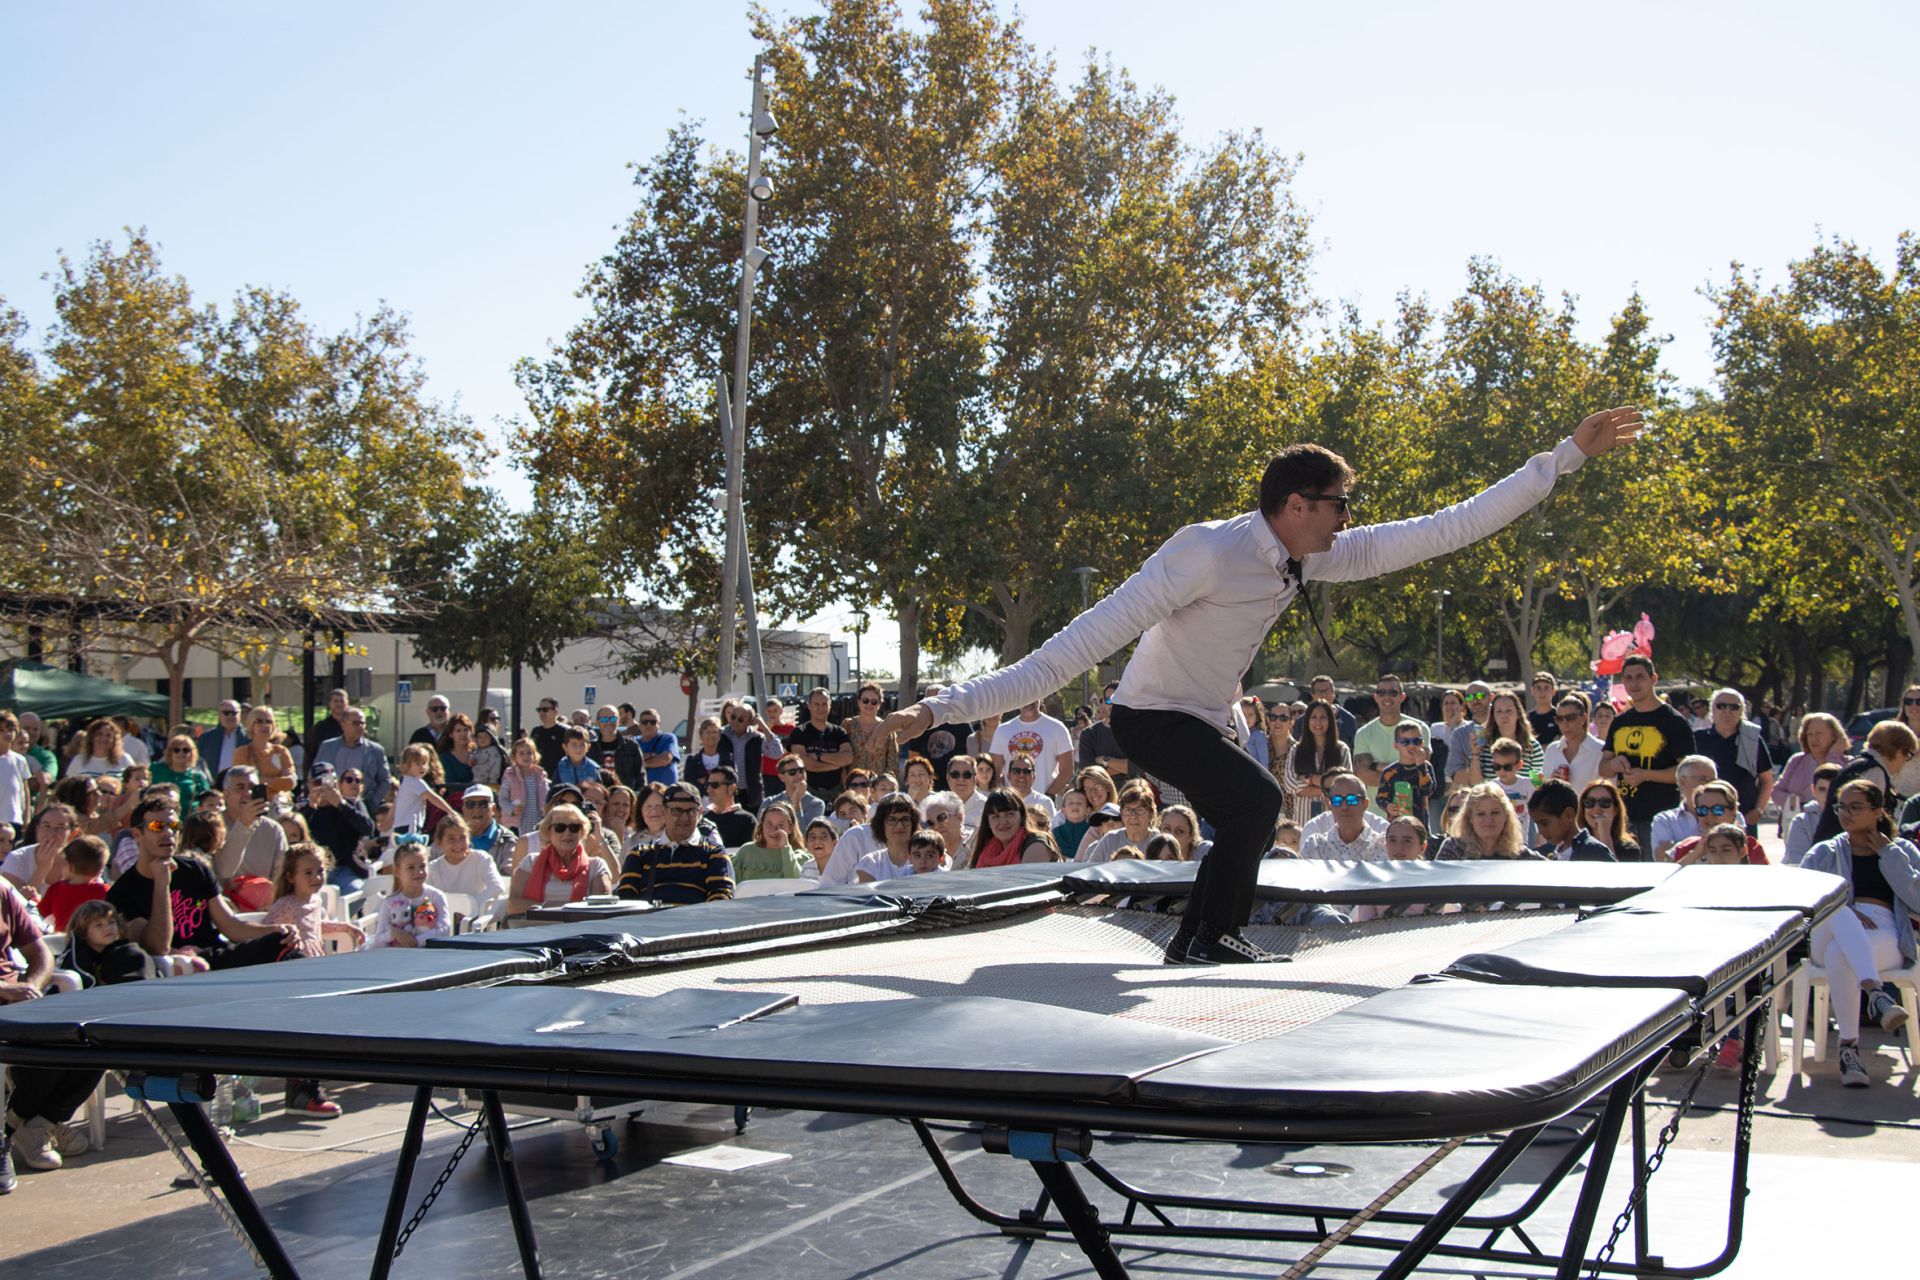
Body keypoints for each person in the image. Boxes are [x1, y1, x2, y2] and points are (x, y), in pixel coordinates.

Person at [1799, 780, 1920, 1087]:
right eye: (1841, 807)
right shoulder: (1824, 852)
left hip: (1884, 930)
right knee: (1837, 905)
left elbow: (1917, 900)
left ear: (1878, 811)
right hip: (1828, 926)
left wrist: (1888, 854)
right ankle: (1877, 996)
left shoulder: (1902, 850)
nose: (1845, 814)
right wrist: (1847, 910)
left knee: (1841, 955)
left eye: (1856, 807)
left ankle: (1848, 1050)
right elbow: (1801, 903)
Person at [108, 795, 300, 969]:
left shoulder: (194, 870)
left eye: (174, 826)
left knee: (283, 942)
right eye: (157, 827)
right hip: (178, 967)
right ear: (136, 834)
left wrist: (276, 929)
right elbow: (157, 946)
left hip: (216, 955)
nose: (168, 833)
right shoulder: (122, 892)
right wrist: (162, 884)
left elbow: (231, 926)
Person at [0, 877, 100, 1178]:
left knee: (94, 1034)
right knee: (45, 1045)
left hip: (17, 998)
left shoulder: (3, 890)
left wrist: (31, 984)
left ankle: (29, 1123)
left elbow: (40, 953)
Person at [1599, 655, 1694, 854]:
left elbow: (1687, 773)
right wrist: (1614, 764)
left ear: (1653, 679)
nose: (1634, 683)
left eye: (1640, 676)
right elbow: (1603, 768)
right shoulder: (1619, 721)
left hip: (1662, 820)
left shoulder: (1674, 721)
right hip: (1623, 819)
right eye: (1628, 678)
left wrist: (1646, 775)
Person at [616, 783, 734, 904]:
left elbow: (720, 901)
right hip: (649, 921)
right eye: (676, 811)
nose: (684, 818)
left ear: (700, 813)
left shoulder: (714, 854)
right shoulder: (640, 854)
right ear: (664, 812)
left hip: (696, 922)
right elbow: (626, 901)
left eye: (691, 811)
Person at [1811, 721, 1919, 845]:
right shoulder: (1874, 772)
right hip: (1845, 853)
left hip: (1831, 847)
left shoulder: (1857, 765)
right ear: (1899, 751)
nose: (1906, 762)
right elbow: (1867, 822)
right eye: (1909, 755)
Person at [509, 804, 615, 913]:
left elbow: (600, 908)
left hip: (579, 928)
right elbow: (512, 905)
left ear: (582, 832)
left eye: (574, 828)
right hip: (535, 927)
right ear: (548, 831)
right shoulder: (531, 862)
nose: (567, 833)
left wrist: (547, 909)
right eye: (560, 828)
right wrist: (557, 909)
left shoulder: (596, 866)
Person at [1691, 689, 1774, 829]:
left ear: (1742, 711)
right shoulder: (1697, 739)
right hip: (1704, 818)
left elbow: (1766, 780)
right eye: (1721, 706)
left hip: (1743, 818)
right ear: (1712, 709)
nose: (1727, 711)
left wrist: (1758, 810)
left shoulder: (1752, 740)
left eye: (1734, 707)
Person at [264, 843, 364, 957]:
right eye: (308, 873)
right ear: (291, 877)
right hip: (294, 962)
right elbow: (265, 931)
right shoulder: (285, 905)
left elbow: (314, 926)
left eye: (320, 871)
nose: (316, 878)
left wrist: (344, 927)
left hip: (315, 958)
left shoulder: (315, 900)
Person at [301, 764, 375, 892]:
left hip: (345, 869)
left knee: (357, 892)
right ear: (309, 786)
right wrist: (310, 809)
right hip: (314, 871)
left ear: (335, 783)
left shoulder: (350, 804)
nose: (323, 787)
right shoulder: (304, 810)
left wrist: (341, 805)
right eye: (317, 783)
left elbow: (368, 828)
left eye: (327, 782)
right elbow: (297, 837)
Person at [1772, 712, 1849, 835]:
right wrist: (1796, 801)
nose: (1814, 739)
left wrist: (1833, 757)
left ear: (1835, 736)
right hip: (1797, 827)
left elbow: (1842, 789)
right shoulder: (1796, 760)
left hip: (1835, 828)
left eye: (1819, 733)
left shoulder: (1847, 763)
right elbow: (1776, 792)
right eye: (1810, 734)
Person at [367, 841, 451, 950]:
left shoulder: (436, 896)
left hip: (428, 956)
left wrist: (417, 941)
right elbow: (377, 941)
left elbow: (445, 929)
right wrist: (393, 934)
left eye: (422, 866)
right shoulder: (389, 902)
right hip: (398, 958)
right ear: (398, 871)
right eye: (411, 867)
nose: (419, 872)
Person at [1352, 675, 1429, 791]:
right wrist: (1404, 776)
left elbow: (1421, 770)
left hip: (1415, 806)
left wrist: (1377, 766)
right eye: (1382, 693)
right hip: (1375, 808)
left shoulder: (1420, 728)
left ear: (1402, 697)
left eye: (1393, 693)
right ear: (1376, 697)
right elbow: (1362, 775)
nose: (1387, 697)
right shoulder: (1363, 733)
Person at [1282, 701, 1352, 826]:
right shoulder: (1296, 749)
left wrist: (1309, 779)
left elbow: (1345, 784)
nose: (1318, 722)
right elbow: (1289, 784)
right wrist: (1326, 788)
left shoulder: (1342, 750)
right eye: (1313, 717)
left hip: (1333, 821)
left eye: (1323, 717)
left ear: (1330, 721)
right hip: (1302, 821)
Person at [310, 706, 391, 811]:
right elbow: (315, 775)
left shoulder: (376, 750)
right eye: (356, 723)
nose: (360, 727)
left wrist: (372, 802)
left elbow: (385, 780)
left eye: (363, 723)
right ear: (343, 724)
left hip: (361, 808)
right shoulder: (327, 747)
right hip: (331, 806)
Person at [989, 700, 1075, 799]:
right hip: (1011, 802)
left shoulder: (1058, 728)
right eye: (1026, 697)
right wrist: (1003, 797)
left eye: (1034, 697)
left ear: (1041, 698)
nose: (1029, 701)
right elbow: (996, 770)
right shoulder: (1002, 730)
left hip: (1043, 802)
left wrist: (1049, 795)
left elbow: (1067, 770)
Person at [427, 818, 508, 922]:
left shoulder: (481, 858)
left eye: (462, 837)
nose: (458, 844)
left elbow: (497, 887)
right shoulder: (432, 868)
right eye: (451, 839)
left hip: (473, 922)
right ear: (439, 842)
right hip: (443, 922)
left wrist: (468, 910)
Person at [1669, 781, 1769, 865]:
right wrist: (1695, 854)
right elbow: (1670, 882)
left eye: (1717, 809)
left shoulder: (1750, 846)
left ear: (1733, 812)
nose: (1709, 815)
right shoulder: (1687, 846)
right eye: (1702, 810)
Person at [963, 787, 1059, 868]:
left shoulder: (1037, 844)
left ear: (1022, 816)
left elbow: (1024, 887)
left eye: (1009, 814)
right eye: (996, 817)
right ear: (988, 823)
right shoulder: (986, 850)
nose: (1003, 822)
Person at [1436, 784, 1537, 861]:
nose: (1488, 820)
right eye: (1480, 814)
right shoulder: (1454, 848)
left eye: (1495, 813)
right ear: (1470, 818)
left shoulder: (1519, 854)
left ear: (1506, 816)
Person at [1299, 774, 1386, 860]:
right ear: (1331, 805)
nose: (1344, 807)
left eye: (1351, 800)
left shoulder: (1382, 846)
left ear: (1365, 804)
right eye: (1337, 800)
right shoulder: (1315, 846)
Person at [1649, 755, 1721, 860]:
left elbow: (1738, 854)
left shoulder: (1731, 813)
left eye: (1713, 780)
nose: (1710, 784)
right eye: (1703, 779)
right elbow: (1663, 859)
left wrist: (1679, 848)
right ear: (1683, 782)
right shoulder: (1665, 820)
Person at [1527, 780, 1615, 861]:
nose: (1541, 831)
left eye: (1544, 824)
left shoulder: (1594, 852)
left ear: (1568, 815)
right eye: (1537, 825)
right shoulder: (1545, 852)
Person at [37, 833, 109, 931]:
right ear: (100, 870)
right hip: (92, 942)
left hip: (64, 943)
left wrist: (33, 898)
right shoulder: (104, 891)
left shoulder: (55, 889)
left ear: (69, 865)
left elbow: (40, 913)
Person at [1076, 782, 1159, 864]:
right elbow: (1092, 872)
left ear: (1151, 814)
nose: (1133, 816)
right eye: (1128, 810)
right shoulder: (1110, 840)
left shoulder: (1158, 840)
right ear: (1121, 814)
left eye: (1140, 810)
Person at [790, 688, 853, 795]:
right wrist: (833, 765)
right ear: (809, 706)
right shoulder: (799, 732)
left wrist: (819, 756)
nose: (821, 708)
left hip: (836, 792)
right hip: (807, 792)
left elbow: (847, 758)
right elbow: (802, 763)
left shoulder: (840, 732)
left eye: (824, 704)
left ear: (830, 705)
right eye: (816, 704)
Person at [390, 743, 461, 834]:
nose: (422, 767)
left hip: (401, 826)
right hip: (410, 826)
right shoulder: (416, 782)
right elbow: (433, 798)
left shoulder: (406, 781)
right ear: (407, 765)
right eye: (417, 763)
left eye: (424, 763)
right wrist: (451, 812)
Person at [735, 802, 815, 882]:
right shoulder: (746, 851)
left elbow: (794, 884)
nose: (774, 830)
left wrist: (785, 849)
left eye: (781, 825)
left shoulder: (799, 856)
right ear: (762, 825)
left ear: (790, 828)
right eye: (769, 824)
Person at [1375, 722, 1438, 822]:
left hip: (1420, 824)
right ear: (1396, 745)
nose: (1411, 746)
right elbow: (1380, 798)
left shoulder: (1426, 767)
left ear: (1422, 743)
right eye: (1405, 742)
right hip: (1396, 823)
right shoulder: (1389, 772)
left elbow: (1428, 791)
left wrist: (1421, 767)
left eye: (1416, 741)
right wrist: (1387, 806)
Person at [1542, 693, 1606, 790]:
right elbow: (1543, 788)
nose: (1565, 724)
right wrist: (1551, 782)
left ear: (1583, 718)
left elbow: (1610, 789)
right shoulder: (1552, 750)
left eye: (1570, 717)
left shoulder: (1600, 749)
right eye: (1560, 719)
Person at [229, 706, 295, 798]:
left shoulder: (282, 751)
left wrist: (261, 779)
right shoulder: (241, 753)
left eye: (269, 721)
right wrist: (278, 780)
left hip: (280, 805)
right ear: (251, 725)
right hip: (253, 804)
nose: (265, 725)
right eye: (259, 721)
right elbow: (241, 783)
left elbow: (290, 783)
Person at [1784, 763, 1843, 865]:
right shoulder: (1801, 822)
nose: (1827, 796)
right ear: (1813, 790)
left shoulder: (1850, 818)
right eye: (1822, 789)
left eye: (1833, 790)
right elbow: (1799, 862)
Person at [842, 682, 900, 781]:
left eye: (874, 702)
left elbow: (892, 763)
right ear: (858, 702)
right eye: (865, 701)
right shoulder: (848, 725)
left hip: (878, 787)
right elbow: (841, 758)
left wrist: (885, 786)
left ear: (879, 704)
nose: (869, 704)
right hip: (854, 785)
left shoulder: (887, 728)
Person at [856, 797, 921, 882]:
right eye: (892, 820)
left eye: (905, 819)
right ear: (881, 825)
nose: (899, 826)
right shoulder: (870, 863)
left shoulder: (927, 858)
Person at [1577, 778, 1642, 860]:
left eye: (1605, 802)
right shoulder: (1576, 844)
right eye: (1590, 802)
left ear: (1615, 810)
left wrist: (1604, 833)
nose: (1597, 808)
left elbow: (1610, 871)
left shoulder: (1629, 849)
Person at [1076, 681, 1129, 778]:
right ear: (1103, 702)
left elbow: (1140, 768)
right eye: (1109, 701)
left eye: (1117, 700)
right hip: (1100, 792)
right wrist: (1124, 767)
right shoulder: (1089, 734)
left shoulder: (1136, 732)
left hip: (1131, 791)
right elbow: (1088, 773)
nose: (1113, 704)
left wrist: (1105, 760)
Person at [150, 732, 213, 813]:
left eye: (186, 750)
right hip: (159, 822)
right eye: (176, 750)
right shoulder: (155, 769)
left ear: (192, 753)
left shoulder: (197, 776)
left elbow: (208, 800)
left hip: (186, 824)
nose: (181, 753)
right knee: (153, 826)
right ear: (170, 752)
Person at [701, 766, 757, 848]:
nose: (708, 790)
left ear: (731, 788)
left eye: (714, 785)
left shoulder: (747, 820)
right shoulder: (703, 818)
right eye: (707, 785)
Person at [631, 708, 680, 787]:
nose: (648, 725)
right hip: (641, 791)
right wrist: (654, 755)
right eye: (645, 722)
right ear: (639, 725)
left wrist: (640, 763)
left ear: (658, 725)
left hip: (665, 790)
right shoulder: (633, 741)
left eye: (653, 722)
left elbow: (665, 760)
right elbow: (629, 762)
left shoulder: (667, 738)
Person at [1308, 675, 1359, 746]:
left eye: (1326, 691)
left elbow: (1355, 748)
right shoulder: (1303, 721)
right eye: (1319, 691)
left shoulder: (1348, 719)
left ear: (1333, 693)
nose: (1323, 695)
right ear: (1312, 695)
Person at [528, 698, 570, 776]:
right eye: (539, 710)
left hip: (559, 775)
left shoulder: (565, 731)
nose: (541, 712)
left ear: (555, 711)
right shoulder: (536, 731)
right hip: (539, 776)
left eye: (545, 709)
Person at [945, 754, 986, 828]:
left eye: (967, 775)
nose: (961, 779)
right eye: (955, 774)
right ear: (948, 778)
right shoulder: (938, 805)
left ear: (976, 778)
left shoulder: (986, 807)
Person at [1053, 788, 1094, 860]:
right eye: (1070, 803)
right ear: (1063, 810)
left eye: (1079, 803)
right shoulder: (1055, 833)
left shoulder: (1093, 832)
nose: (1075, 805)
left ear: (1088, 810)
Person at [1526, 671, 1562, 746]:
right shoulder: (1526, 719)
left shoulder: (1560, 716)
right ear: (1532, 691)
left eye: (1546, 688)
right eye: (1538, 688)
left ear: (1553, 691)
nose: (1542, 692)